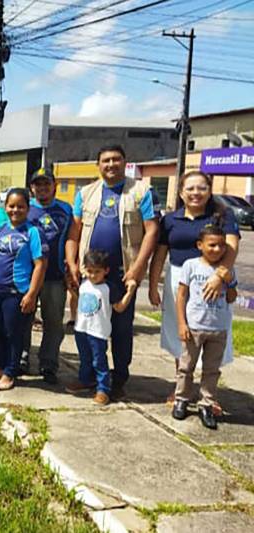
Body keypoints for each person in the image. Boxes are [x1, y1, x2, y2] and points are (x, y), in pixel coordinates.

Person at [65, 145, 158, 400]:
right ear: (98, 164)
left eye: (116, 159)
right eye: (106, 160)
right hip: (89, 275)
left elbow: (151, 231)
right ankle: (88, 377)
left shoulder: (141, 191)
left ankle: (117, 380)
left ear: (125, 162)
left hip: (122, 275)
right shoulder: (86, 193)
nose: (111, 164)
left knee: (120, 330)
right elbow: (74, 232)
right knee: (86, 328)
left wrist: (137, 270)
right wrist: (72, 264)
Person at [148, 171, 239, 375]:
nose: (195, 193)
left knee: (214, 330)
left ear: (209, 192)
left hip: (213, 280)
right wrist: (153, 287)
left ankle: (209, 388)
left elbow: (232, 248)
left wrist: (218, 276)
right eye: (190, 188)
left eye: (201, 188)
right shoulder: (170, 220)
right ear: (181, 193)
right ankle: (182, 385)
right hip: (178, 280)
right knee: (178, 329)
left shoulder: (223, 216)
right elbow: (160, 256)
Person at [0, 188, 47, 391]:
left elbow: (40, 265)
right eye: (11, 206)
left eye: (20, 206)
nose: (15, 210)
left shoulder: (33, 232)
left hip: (17, 293)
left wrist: (32, 294)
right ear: (5, 206)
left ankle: (10, 371)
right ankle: (5, 365)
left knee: (13, 333)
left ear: (28, 208)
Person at [172, 226, 237, 430]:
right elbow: (181, 296)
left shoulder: (227, 270)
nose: (217, 249)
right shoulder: (191, 265)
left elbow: (232, 297)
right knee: (186, 366)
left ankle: (206, 405)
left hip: (218, 329)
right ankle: (181, 399)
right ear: (200, 245)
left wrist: (229, 281)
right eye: (212, 245)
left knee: (211, 370)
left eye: (221, 246)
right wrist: (182, 323)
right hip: (194, 327)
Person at [21, 168, 73, 384]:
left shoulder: (66, 209)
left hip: (54, 276)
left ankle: (48, 363)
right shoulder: (25, 207)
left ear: (54, 184)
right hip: (27, 275)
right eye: (37, 184)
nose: (42, 188)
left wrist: (71, 266)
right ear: (31, 187)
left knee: (53, 322)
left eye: (46, 183)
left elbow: (72, 238)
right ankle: (22, 356)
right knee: (23, 319)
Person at [67, 250, 136, 405]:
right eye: (90, 271)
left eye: (97, 272)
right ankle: (85, 380)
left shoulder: (108, 288)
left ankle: (103, 389)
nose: (93, 275)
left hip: (98, 332)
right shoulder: (84, 284)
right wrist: (71, 288)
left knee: (99, 361)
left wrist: (130, 291)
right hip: (81, 329)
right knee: (85, 359)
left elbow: (119, 307)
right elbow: (80, 299)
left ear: (106, 271)